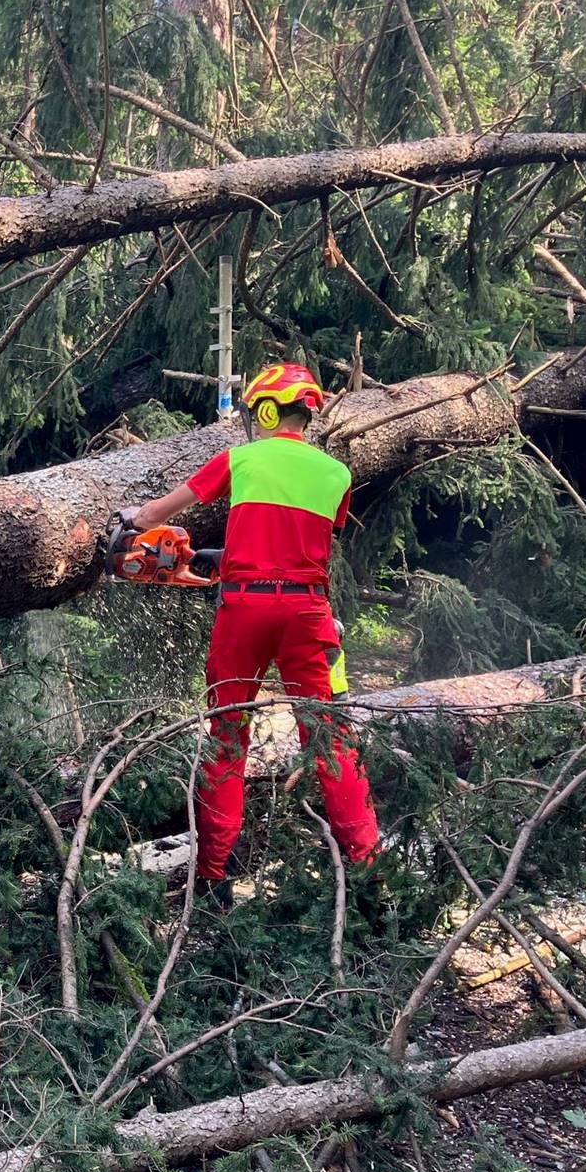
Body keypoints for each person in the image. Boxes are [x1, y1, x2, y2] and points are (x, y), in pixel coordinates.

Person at [121, 362, 379, 909]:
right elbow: (296, 542)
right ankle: (368, 874)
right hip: (308, 613)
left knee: (227, 736)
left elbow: (161, 511)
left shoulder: (238, 459)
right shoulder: (337, 475)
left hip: (244, 611)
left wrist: (132, 521)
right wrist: (227, 556)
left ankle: (215, 878)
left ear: (264, 409)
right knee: (331, 740)